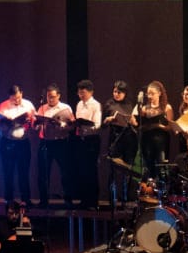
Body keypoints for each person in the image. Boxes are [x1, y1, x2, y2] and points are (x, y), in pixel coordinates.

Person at [0, 85, 36, 205]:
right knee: (8, 171)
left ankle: (25, 198)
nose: (16, 100)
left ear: (21, 93)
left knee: (24, 171)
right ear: (9, 97)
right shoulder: (3, 106)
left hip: (23, 142)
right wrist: (6, 123)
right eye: (13, 99)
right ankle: (9, 199)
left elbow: (35, 120)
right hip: (8, 141)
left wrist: (30, 122)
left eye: (18, 97)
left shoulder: (28, 105)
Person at [35, 84, 75, 208]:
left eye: (52, 97)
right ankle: (43, 201)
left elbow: (72, 126)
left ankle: (68, 200)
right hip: (45, 142)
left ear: (58, 96)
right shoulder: (42, 108)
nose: (50, 99)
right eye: (48, 97)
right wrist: (38, 123)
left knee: (65, 172)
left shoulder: (65, 108)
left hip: (60, 142)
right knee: (43, 173)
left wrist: (62, 125)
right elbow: (36, 127)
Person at [103, 80, 138, 204]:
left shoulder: (130, 104)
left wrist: (134, 122)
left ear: (125, 93)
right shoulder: (109, 104)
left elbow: (136, 123)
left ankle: (126, 197)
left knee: (128, 169)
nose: (116, 94)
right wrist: (108, 120)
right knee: (113, 169)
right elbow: (103, 123)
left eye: (119, 92)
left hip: (129, 138)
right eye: (115, 91)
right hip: (115, 137)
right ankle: (112, 198)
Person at [132, 80, 175, 179]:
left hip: (161, 140)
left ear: (159, 93)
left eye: (152, 93)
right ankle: (149, 190)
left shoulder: (166, 108)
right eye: (148, 94)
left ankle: (162, 189)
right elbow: (138, 123)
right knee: (148, 165)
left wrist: (157, 126)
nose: (149, 96)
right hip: (147, 139)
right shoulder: (144, 108)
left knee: (161, 165)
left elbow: (170, 126)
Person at [72, 79, 103, 209]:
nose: (81, 96)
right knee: (81, 170)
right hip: (81, 140)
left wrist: (85, 126)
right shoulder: (79, 104)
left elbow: (97, 125)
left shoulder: (96, 105)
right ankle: (84, 200)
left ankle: (93, 201)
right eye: (79, 93)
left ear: (90, 92)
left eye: (83, 93)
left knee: (91, 171)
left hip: (92, 140)